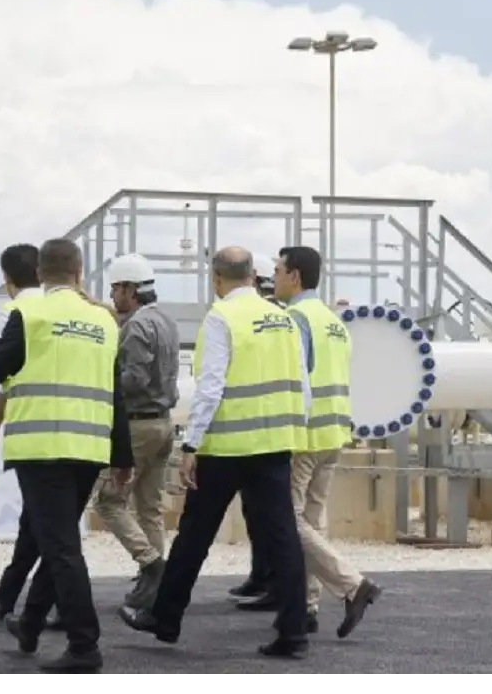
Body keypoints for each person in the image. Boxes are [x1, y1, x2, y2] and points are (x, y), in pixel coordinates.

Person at [0, 238, 133, 674]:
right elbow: (115, 392)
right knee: (54, 539)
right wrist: (123, 457)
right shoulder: (104, 320)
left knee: (61, 547)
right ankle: (29, 624)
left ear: (41, 274)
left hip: (42, 449)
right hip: (90, 448)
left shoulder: (31, 314)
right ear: (79, 272)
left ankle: (84, 645)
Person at [118, 246, 311, 659]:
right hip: (275, 443)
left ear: (217, 278)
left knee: (195, 535)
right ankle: (293, 630)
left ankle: (165, 617)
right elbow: (302, 382)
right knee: (283, 538)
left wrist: (192, 443)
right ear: (253, 276)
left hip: (227, 447)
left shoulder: (221, 318)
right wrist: (296, 430)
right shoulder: (283, 318)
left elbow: (210, 387)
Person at [275, 245, 382, 638]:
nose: (273, 278)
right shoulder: (334, 323)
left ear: (294, 276)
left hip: (306, 435)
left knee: (287, 519)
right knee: (312, 522)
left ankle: (353, 584)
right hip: (334, 432)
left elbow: (296, 380)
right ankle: (308, 606)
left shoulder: (295, 320)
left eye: (278, 271)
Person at [0, 243, 63, 629]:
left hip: (32, 434)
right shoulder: (61, 308)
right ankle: (9, 593)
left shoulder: (16, 312)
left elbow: (2, 378)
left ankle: (57, 605)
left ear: (7, 279)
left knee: (48, 529)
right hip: (73, 433)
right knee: (36, 522)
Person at [93, 253, 180, 610]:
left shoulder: (135, 327)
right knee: (150, 507)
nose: (113, 296)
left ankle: (150, 563)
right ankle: (156, 588)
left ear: (130, 289)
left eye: (116, 288)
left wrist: (101, 382)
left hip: (138, 426)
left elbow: (135, 379)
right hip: (164, 423)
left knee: (109, 502)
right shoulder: (166, 321)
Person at [226, 252, 281, 611]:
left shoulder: (270, 318)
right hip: (264, 428)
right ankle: (262, 575)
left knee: (270, 516)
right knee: (257, 512)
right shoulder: (276, 317)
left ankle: (272, 581)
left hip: (263, 429)